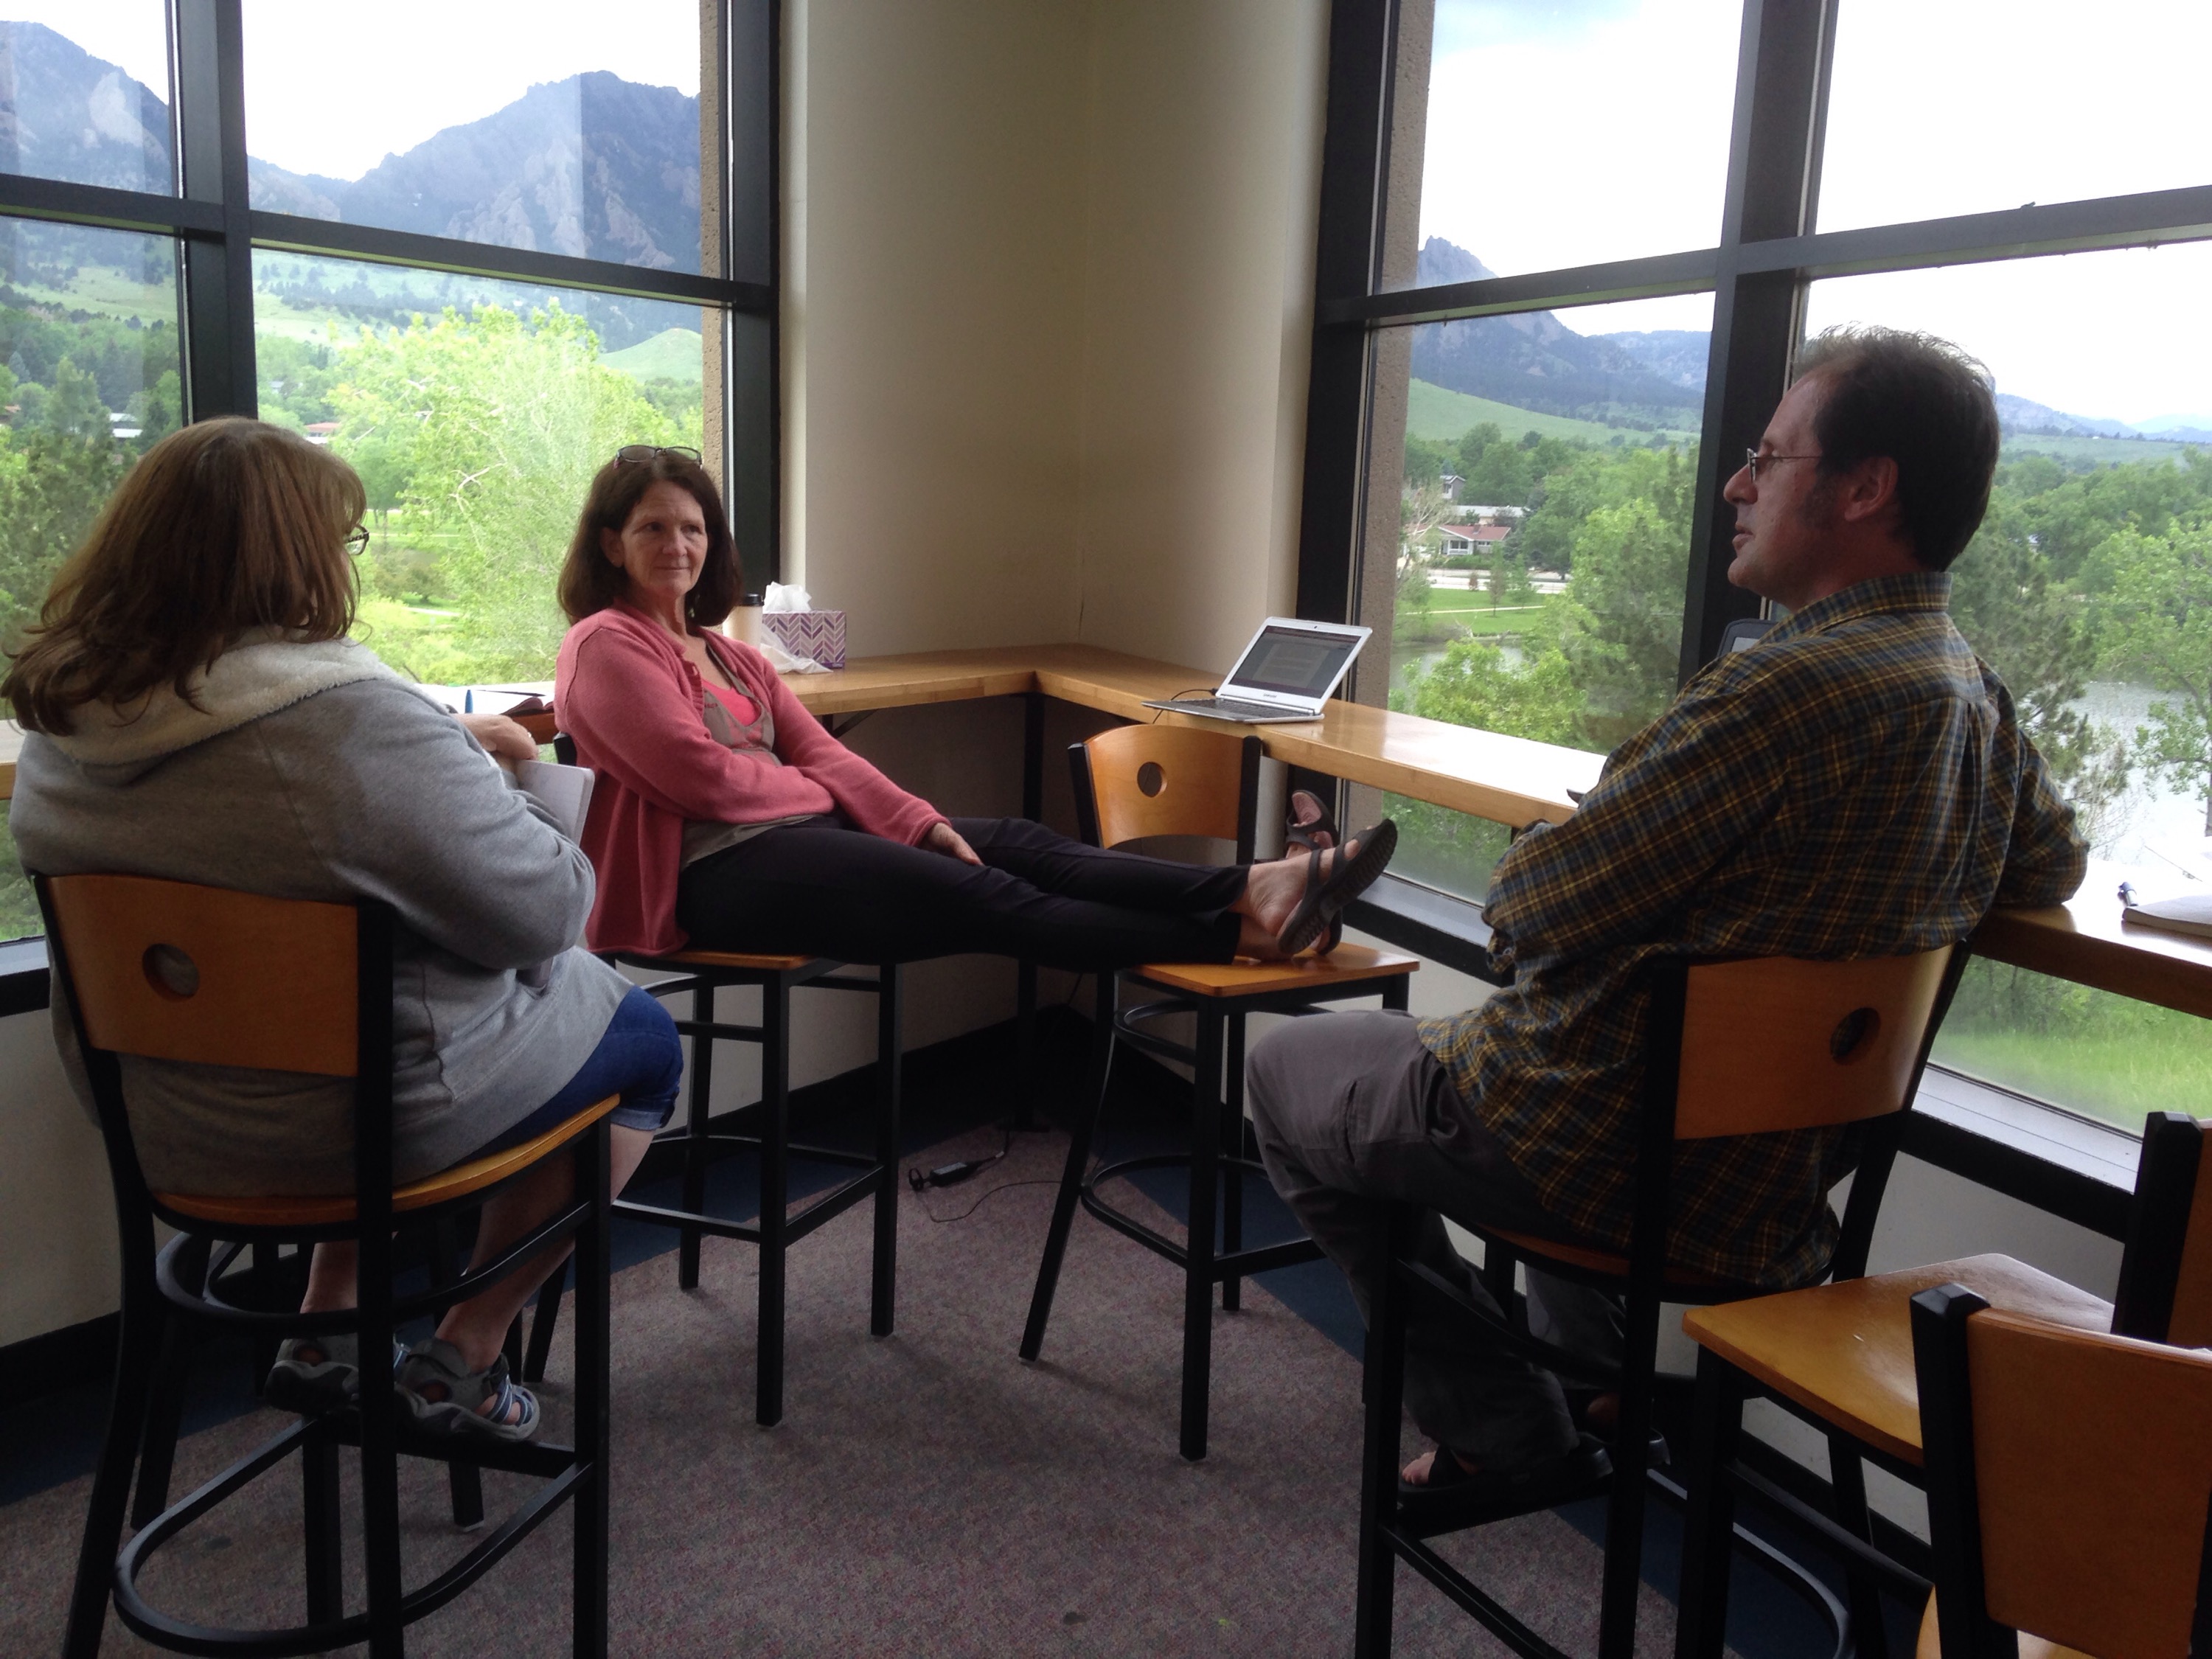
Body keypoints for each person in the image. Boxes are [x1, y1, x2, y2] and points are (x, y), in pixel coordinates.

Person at [1246, 327, 2090, 1503]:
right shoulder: (1970, 694)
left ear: (1864, 488)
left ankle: (1506, 1430)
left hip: (1596, 1152)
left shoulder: (1777, 690)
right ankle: (1600, 1384)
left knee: (1289, 1077)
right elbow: (2053, 864)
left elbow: (1528, 912)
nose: (1740, 484)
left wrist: (1571, 836)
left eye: (1770, 456)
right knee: (1592, 1051)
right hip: (1777, 1198)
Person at [5, 417, 685, 1443]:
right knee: (645, 1041)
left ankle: (325, 1330)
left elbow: (264, 812)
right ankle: (467, 1348)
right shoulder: (349, 720)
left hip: (166, 1128)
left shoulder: (61, 721)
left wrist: (437, 754)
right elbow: (545, 911)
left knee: (371, 996)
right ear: (294, 555)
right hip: (361, 1131)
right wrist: (506, 773)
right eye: (344, 537)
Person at [552, 445, 1396, 971]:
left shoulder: (731, 651)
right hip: (707, 878)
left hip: (801, 840)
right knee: (986, 896)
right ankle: (1239, 937)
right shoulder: (604, 647)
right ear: (610, 544)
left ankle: (1256, 886)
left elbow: (828, 755)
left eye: (692, 529)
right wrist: (830, 800)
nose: (678, 546)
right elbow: (707, 784)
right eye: (654, 529)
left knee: (1016, 841)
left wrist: (916, 821)